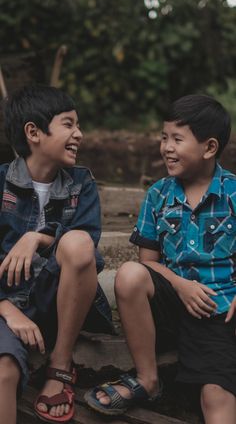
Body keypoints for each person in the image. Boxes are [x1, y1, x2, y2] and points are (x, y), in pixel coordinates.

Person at [85, 94, 236, 423]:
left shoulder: (233, 193)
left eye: (177, 139)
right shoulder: (158, 195)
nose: (166, 147)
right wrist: (180, 285)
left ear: (209, 148)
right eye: (163, 137)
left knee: (215, 395)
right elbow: (148, 263)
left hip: (216, 311)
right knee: (128, 274)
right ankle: (147, 378)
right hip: (169, 306)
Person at [0, 85, 113, 424]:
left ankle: (60, 364)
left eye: (78, 125)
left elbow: (87, 250)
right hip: (8, 306)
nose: (79, 133)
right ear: (33, 132)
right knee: (4, 372)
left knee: (78, 242)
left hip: (61, 302)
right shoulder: (1, 182)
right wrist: (7, 309)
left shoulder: (81, 183)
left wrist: (37, 237)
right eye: (68, 124)